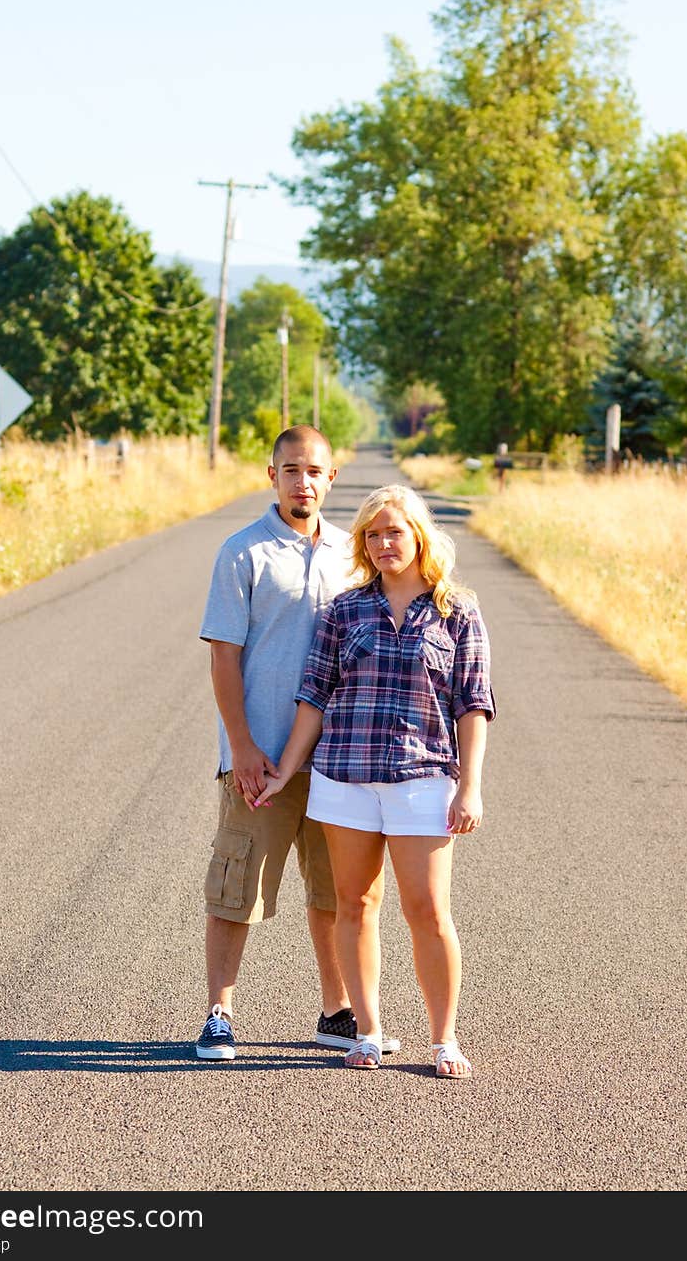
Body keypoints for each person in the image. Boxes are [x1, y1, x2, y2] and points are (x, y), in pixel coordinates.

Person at [256, 483, 495, 1078]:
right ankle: (367, 1031)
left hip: (423, 779)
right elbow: (315, 695)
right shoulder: (345, 609)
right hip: (346, 778)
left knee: (428, 910)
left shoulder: (456, 609)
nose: (384, 543)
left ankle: (444, 1040)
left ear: (419, 535)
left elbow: (474, 704)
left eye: (394, 531)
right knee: (355, 905)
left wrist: (470, 786)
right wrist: (286, 768)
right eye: (372, 534)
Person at [195, 425, 400, 1062]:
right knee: (238, 886)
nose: (302, 482)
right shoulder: (242, 553)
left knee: (339, 893)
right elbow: (224, 659)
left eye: (314, 471)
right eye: (290, 470)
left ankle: (337, 1012)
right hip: (260, 758)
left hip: (341, 761)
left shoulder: (353, 555)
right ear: (272, 476)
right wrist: (244, 746)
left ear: (332, 477)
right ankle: (219, 1014)